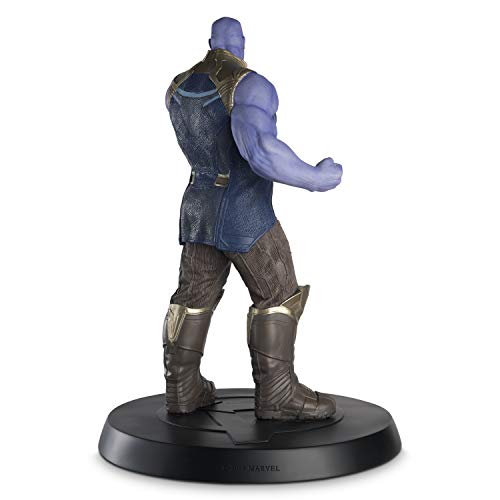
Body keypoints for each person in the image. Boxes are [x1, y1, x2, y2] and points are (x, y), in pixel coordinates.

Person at [163, 17, 343, 420]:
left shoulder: (177, 87)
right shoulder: (250, 85)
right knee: (279, 293)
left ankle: (181, 388)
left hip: (198, 210)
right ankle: (278, 395)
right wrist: (315, 178)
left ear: (211, 42)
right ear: (241, 42)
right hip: (245, 212)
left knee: (193, 298)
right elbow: (259, 150)